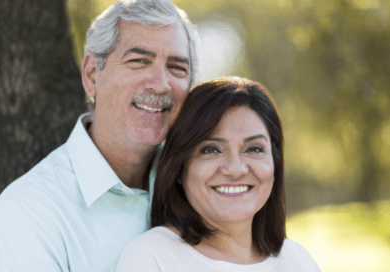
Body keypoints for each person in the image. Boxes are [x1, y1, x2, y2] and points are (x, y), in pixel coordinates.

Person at [0, 0, 198, 271]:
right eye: (139, 61)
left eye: (177, 67)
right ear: (92, 74)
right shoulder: (27, 213)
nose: (161, 84)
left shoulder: (202, 187)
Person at [116, 77, 322, 272]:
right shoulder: (152, 257)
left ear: (275, 163)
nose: (235, 169)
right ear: (179, 167)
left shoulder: (297, 260)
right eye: (211, 150)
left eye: (254, 149)